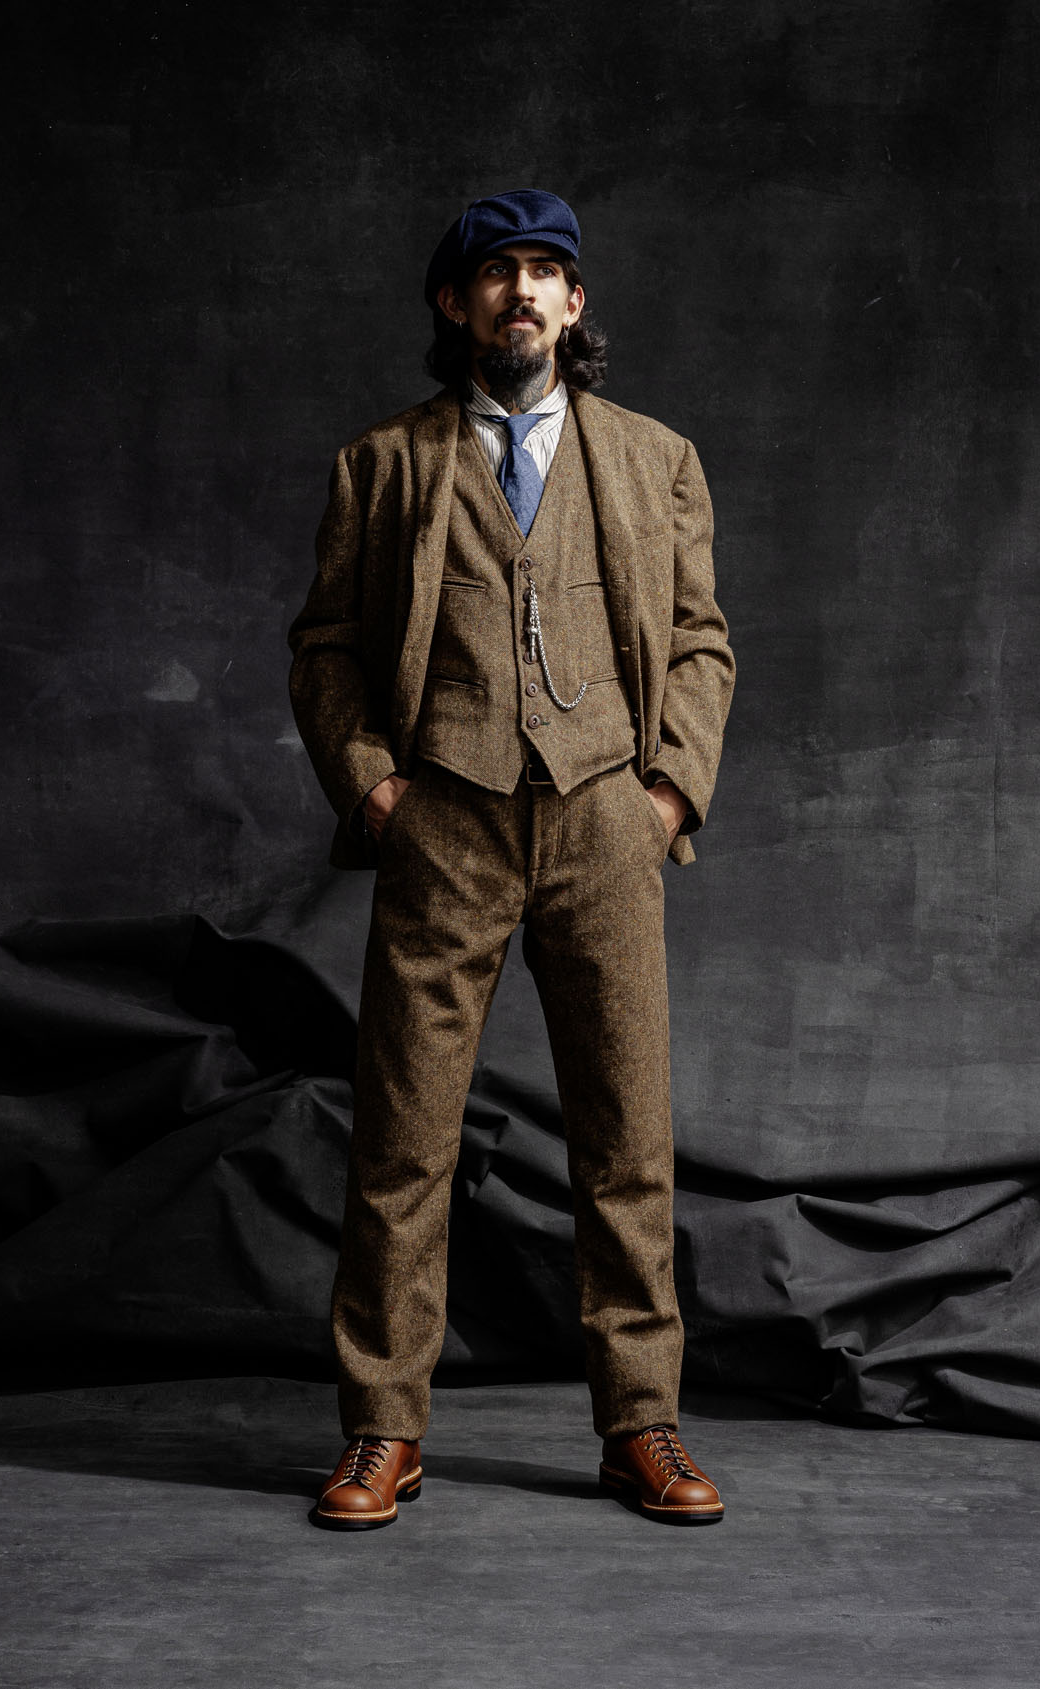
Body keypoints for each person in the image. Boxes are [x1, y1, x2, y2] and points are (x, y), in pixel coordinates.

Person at [287, 189, 736, 1530]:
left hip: (606, 819)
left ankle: (641, 1423)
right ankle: (382, 1428)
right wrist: (377, 793)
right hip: (448, 824)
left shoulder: (657, 459)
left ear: (576, 303)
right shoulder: (383, 465)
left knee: (627, 1136)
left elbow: (701, 642)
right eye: (497, 273)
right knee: (402, 1141)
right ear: (456, 302)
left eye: (547, 271)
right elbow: (326, 652)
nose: (522, 292)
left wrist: (665, 793)